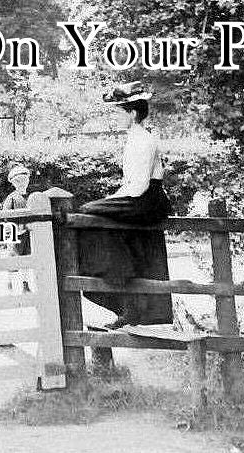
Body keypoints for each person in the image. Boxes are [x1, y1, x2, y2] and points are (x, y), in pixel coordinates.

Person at [76, 81, 173, 329]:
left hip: (147, 201)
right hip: (139, 197)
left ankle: (119, 277)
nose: (114, 117)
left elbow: (139, 187)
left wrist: (108, 203)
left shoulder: (144, 140)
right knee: (91, 212)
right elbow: (129, 184)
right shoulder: (134, 138)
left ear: (132, 113)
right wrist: (111, 200)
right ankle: (122, 289)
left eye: (118, 112)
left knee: (87, 213)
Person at [1, 164, 33, 292]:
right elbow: (5, 217)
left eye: (24, 180)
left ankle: (25, 284)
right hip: (15, 235)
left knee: (26, 259)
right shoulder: (11, 198)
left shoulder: (30, 198)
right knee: (13, 259)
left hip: (27, 233)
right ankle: (10, 284)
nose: (22, 183)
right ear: (13, 183)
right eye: (18, 181)